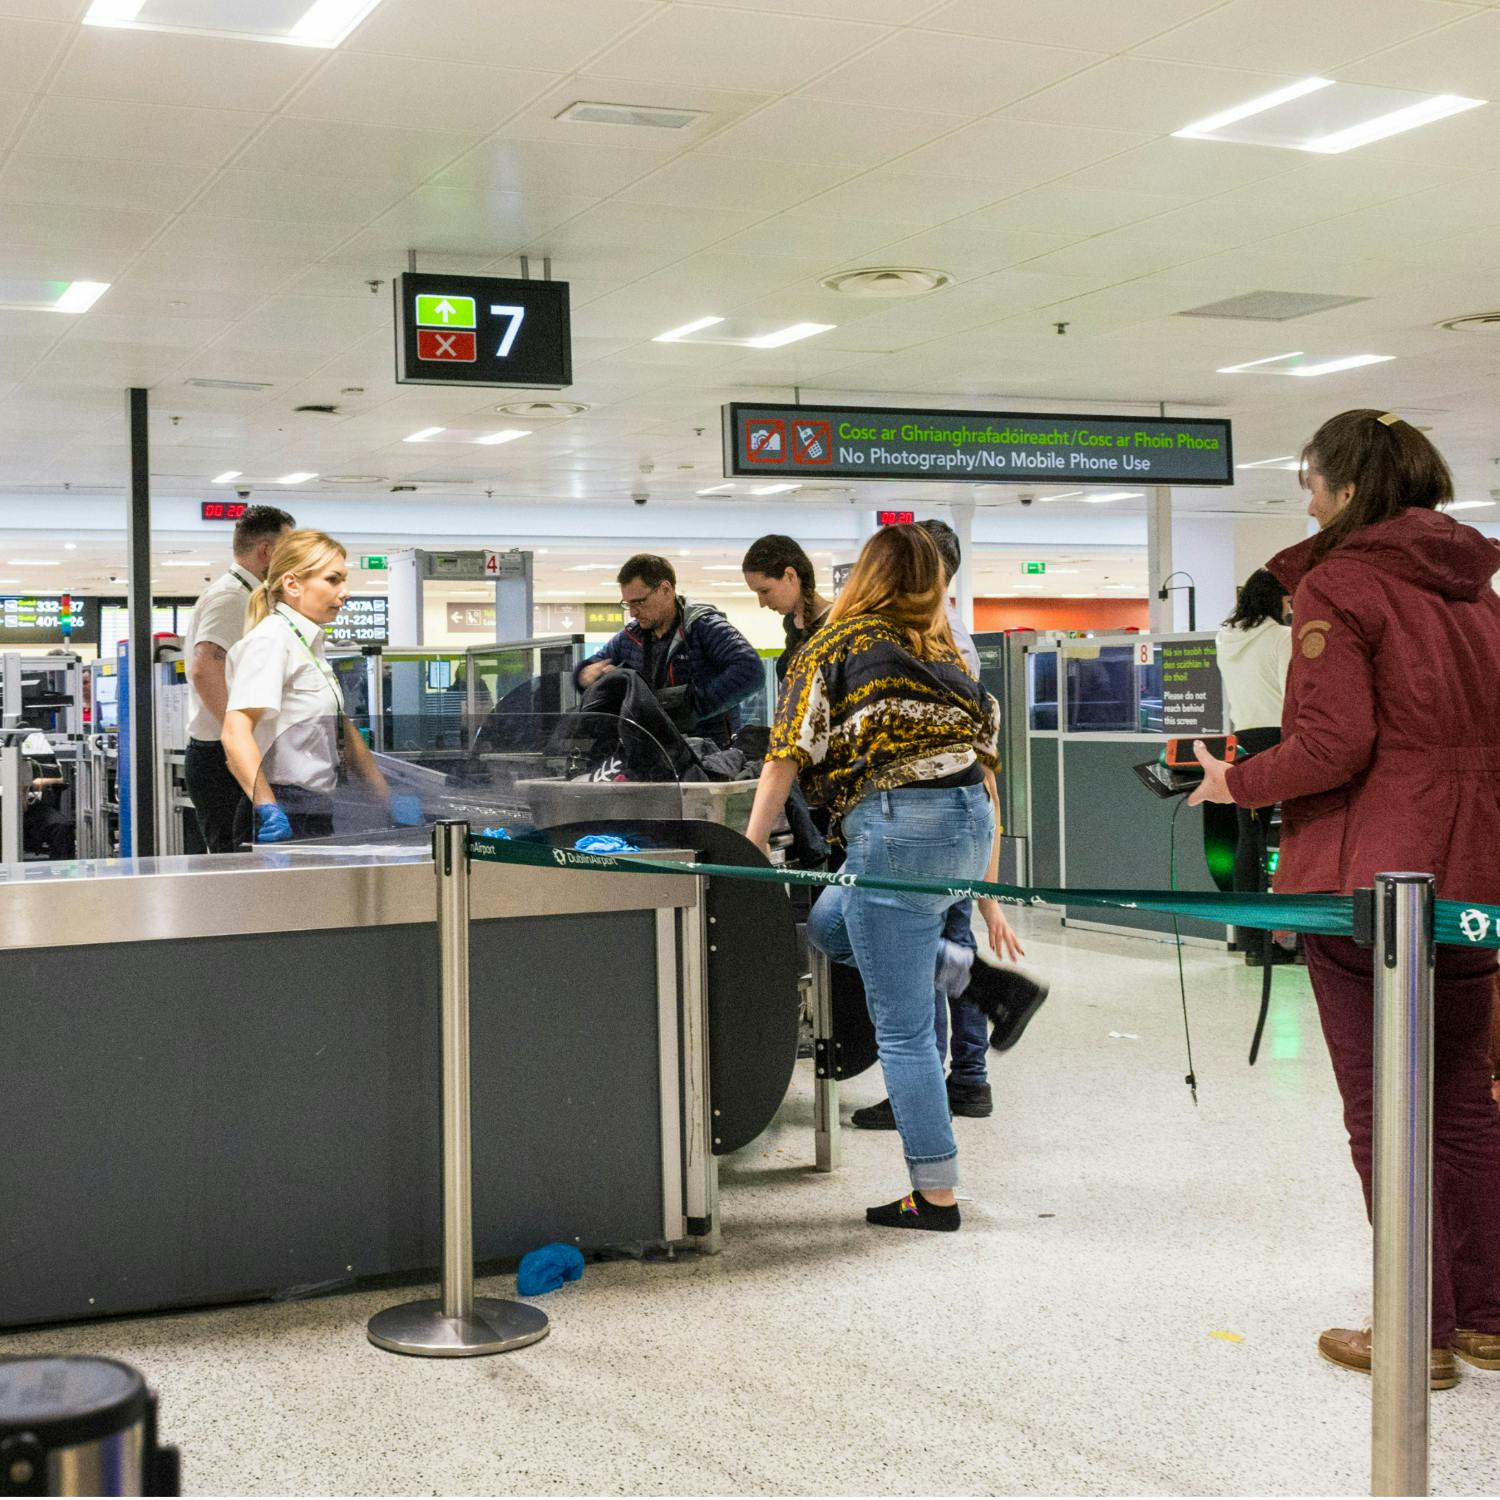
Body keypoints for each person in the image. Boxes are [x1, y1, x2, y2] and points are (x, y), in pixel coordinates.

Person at [1190, 409, 1500, 1387]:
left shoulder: (1341, 585)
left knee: (1383, 1108)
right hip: (1476, 876)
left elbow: (1336, 746)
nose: (1306, 499)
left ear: (1353, 489)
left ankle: (1417, 1330)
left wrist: (1229, 784)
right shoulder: (1480, 594)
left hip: (1371, 879)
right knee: (1463, 1103)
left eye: (1313, 481)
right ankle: (1487, 1316)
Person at [744, 523, 1024, 1232]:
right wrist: (985, 892)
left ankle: (935, 1196)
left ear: (861, 577)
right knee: (834, 922)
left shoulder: (835, 646)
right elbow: (987, 773)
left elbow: (786, 754)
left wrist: (747, 850)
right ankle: (972, 974)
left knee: (902, 1034)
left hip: (901, 831)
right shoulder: (950, 658)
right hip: (967, 830)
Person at [221, 530, 422, 844]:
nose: (345, 592)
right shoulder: (271, 640)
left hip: (313, 807)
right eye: (333, 580)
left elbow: (341, 727)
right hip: (280, 810)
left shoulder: (308, 643)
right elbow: (235, 732)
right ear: (292, 584)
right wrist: (268, 807)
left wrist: (386, 796)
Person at [183, 505, 294, 852]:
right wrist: (239, 735)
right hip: (223, 756)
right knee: (236, 866)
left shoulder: (253, 597)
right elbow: (204, 668)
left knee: (254, 865)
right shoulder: (232, 597)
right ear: (266, 551)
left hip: (238, 751)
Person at [576, 553, 762, 746]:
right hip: (655, 749)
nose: (632, 612)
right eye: (628, 604)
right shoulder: (631, 635)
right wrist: (585, 675)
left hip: (710, 750)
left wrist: (692, 708)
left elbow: (750, 670)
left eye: (639, 602)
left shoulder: (704, 626)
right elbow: (592, 667)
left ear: (666, 589)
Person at [1214, 568, 1292, 958]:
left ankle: (1252, 943)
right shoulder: (1282, 638)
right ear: (1277, 600)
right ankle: (1296, 937)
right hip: (1281, 741)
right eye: (1288, 601)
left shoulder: (1225, 638)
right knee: (1293, 838)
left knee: (1249, 842)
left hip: (1241, 744)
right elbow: (1294, 693)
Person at [741, 533, 833, 682]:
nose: (762, 603)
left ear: (790, 576)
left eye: (765, 591)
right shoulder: (790, 623)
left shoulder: (836, 625)